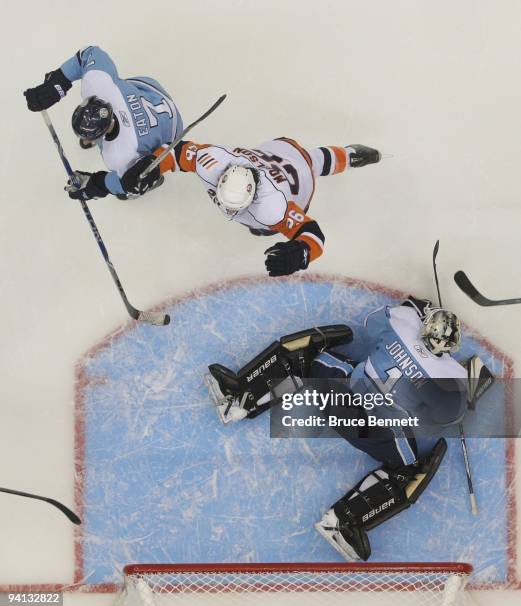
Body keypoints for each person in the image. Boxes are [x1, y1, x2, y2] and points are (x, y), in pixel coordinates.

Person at [205, 296, 474, 560]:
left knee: (302, 361)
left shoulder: (403, 323)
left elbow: (371, 322)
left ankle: (238, 398)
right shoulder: (452, 375)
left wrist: (416, 308)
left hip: (336, 399)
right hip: (374, 435)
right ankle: (345, 523)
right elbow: (449, 416)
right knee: (411, 467)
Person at [120, 138, 381, 276]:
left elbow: (313, 234)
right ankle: (348, 154)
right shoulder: (214, 163)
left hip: (297, 181)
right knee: (310, 158)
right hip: (277, 152)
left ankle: (348, 156)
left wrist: (301, 253)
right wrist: (148, 168)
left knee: (309, 164)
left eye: (236, 208)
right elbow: (176, 154)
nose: (229, 212)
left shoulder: (272, 207)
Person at [24, 45, 183, 200]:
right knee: (118, 87)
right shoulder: (98, 86)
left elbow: (125, 183)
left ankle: (155, 181)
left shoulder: (118, 156)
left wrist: (97, 184)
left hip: (171, 133)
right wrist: (57, 82)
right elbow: (89, 53)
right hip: (152, 91)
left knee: (135, 180)